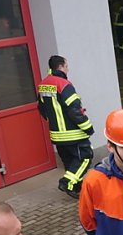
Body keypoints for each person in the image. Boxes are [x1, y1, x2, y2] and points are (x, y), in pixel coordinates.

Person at [36, 55, 94, 199]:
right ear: (61, 67)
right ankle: (66, 182)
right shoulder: (64, 85)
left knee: (70, 162)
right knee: (85, 156)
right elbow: (74, 110)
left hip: (56, 134)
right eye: (66, 66)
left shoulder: (43, 84)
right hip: (73, 133)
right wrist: (88, 127)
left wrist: (54, 123)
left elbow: (41, 108)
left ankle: (75, 188)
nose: (68, 69)